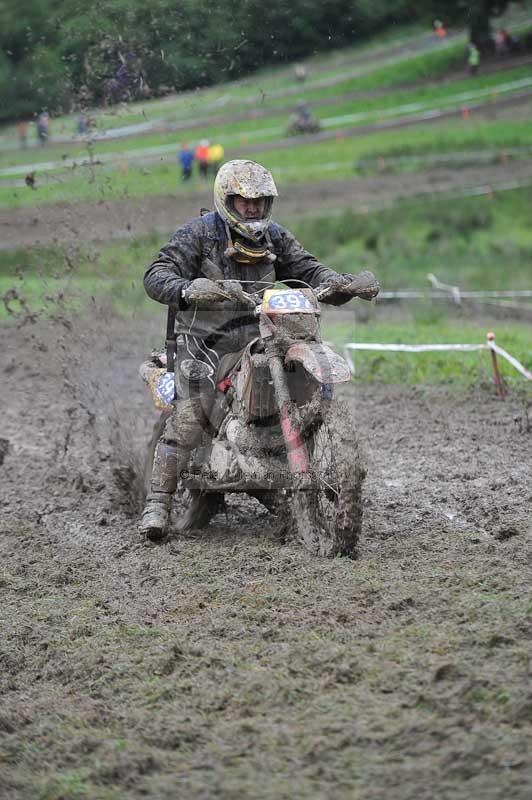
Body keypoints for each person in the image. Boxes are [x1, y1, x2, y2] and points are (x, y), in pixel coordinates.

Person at [139, 159, 371, 540]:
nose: (253, 208)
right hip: (204, 344)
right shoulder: (199, 234)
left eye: (261, 202)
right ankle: (158, 503)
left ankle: (284, 477)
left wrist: (340, 283)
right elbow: (156, 274)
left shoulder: (274, 238)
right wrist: (187, 288)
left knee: (297, 389)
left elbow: (308, 268)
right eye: (245, 201)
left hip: (260, 337)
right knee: (192, 414)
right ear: (226, 199)